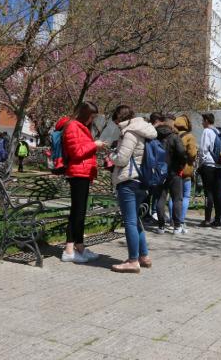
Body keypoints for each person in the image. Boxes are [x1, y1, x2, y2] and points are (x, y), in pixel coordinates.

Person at [109, 105, 158, 273]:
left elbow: (122, 159)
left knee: (130, 221)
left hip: (129, 181)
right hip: (142, 180)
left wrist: (111, 155)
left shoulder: (130, 132)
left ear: (119, 119)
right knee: (135, 220)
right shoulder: (144, 130)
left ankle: (132, 261)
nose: (116, 125)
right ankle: (143, 256)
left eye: (116, 121)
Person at [58, 102, 107, 263]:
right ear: (85, 114)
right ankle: (69, 250)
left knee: (80, 212)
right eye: (92, 117)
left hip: (83, 173)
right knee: (77, 212)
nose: (92, 120)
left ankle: (79, 246)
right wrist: (94, 145)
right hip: (77, 173)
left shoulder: (79, 126)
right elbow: (76, 152)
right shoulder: (73, 126)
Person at [199, 113, 221, 228]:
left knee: (208, 193)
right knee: (218, 193)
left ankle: (207, 220)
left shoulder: (207, 131)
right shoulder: (219, 132)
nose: (202, 123)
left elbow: (203, 150)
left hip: (209, 165)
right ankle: (218, 219)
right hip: (220, 166)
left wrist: (201, 163)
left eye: (202, 120)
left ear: (206, 120)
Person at [172, 115, 198, 231]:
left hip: (173, 169)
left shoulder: (172, 135)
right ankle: (181, 220)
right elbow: (192, 153)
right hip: (186, 169)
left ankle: (173, 220)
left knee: (174, 197)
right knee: (186, 196)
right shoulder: (189, 136)